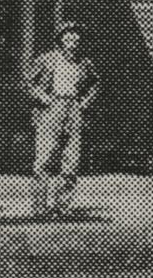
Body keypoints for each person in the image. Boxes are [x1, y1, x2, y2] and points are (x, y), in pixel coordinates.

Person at [26, 21, 101, 217]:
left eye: (75, 37)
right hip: (51, 109)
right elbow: (29, 82)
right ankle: (39, 208)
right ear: (60, 39)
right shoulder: (47, 59)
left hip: (73, 109)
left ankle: (63, 206)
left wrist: (84, 102)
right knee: (44, 159)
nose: (72, 41)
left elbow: (95, 84)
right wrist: (44, 97)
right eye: (68, 37)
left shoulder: (84, 62)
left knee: (71, 160)